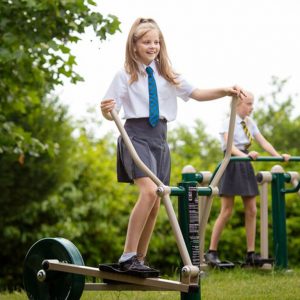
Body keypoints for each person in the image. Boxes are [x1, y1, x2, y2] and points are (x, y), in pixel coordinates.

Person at [100, 17, 246, 276]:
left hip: (160, 139)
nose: (153, 46)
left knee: (157, 199)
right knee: (147, 192)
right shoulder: (124, 75)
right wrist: (106, 110)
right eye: (146, 42)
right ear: (134, 45)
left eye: (156, 42)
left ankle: (139, 259)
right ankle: (127, 256)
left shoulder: (167, 74)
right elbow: (110, 110)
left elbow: (197, 93)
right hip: (135, 136)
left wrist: (225, 90)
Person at [204, 91, 290, 267]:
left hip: (246, 162)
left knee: (251, 210)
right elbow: (229, 146)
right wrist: (245, 154)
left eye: (252, 103)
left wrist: (279, 156)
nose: (252, 107)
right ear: (237, 105)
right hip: (232, 161)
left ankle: (250, 254)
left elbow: (263, 142)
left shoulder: (250, 123)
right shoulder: (228, 122)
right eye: (249, 104)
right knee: (227, 210)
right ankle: (211, 252)